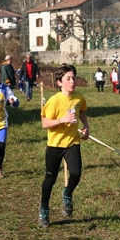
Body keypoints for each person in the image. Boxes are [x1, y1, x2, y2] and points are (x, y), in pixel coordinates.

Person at [38, 64, 89, 228]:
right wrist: (62, 120)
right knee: (50, 179)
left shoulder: (79, 97)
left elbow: (82, 111)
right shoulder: (54, 101)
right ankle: (44, 210)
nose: (72, 81)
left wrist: (86, 126)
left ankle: (67, 194)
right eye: (68, 78)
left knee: (76, 173)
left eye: (73, 78)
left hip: (72, 142)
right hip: (54, 145)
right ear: (59, 82)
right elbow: (45, 123)